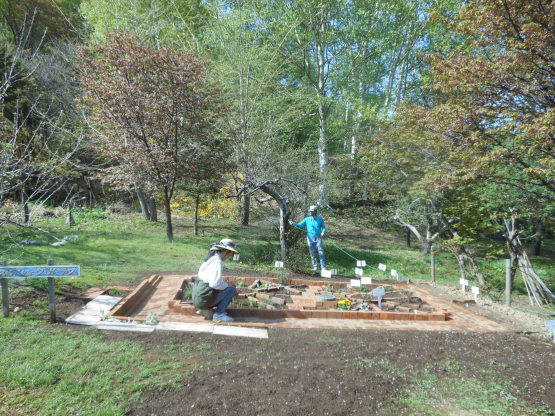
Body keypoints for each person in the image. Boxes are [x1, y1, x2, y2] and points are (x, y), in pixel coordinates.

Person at [192, 238, 238, 322]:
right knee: (231, 289)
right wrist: (228, 284)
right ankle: (219, 315)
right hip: (203, 299)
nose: (229, 257)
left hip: (197, 298)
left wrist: (226, 284)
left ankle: (202, 308)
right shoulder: (217, 262)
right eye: (230, 254)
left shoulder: (210, 259)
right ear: (226, 252)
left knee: (226, 286)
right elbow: (214, 284)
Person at [292, 205, 327, 271]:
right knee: (312, 253)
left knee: (321, 252)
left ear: (315, 211)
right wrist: (294, 224)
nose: (311, 212)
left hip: (318, 238)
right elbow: (300, 225)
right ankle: (315, 267)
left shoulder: (320, 219)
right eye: (310, 211)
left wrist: (323, 232)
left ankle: (323, 267)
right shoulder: (307, 219)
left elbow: (324, 227)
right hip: (310, 238)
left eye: (312, 211)